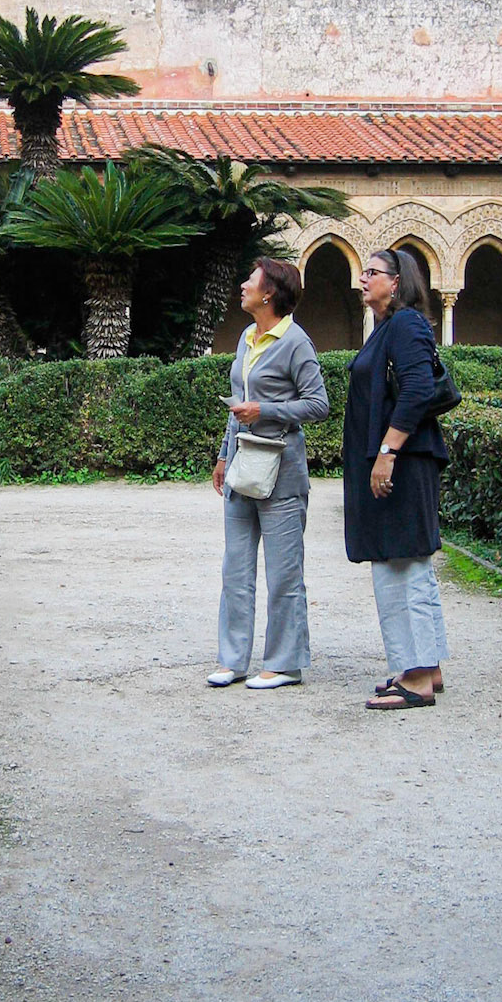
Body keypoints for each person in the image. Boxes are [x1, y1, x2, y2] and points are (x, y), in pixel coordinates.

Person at [210, 257, 330, 690]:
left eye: (251, 279)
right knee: (235, 570)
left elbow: (319, 404)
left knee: (283, 574)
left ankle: (284, 664)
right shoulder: (246, 337)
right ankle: (232, 660)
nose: (243, 285)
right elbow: (237, 402)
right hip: (243, 466)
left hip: (282, 470)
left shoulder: (296, 342)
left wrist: (266, 410)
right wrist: (223, 454)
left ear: (270, 293)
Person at [343, 247, 450, 710]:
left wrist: (387, 452)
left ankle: (418, 677)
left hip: (403, 462)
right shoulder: (389, 327)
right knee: (404, 562)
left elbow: (419, 390)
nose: (363, 279)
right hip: (398, 459)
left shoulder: (405, 324)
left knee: (401, 564)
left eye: (372, 272)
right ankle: (426, 667)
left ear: (397, 281)